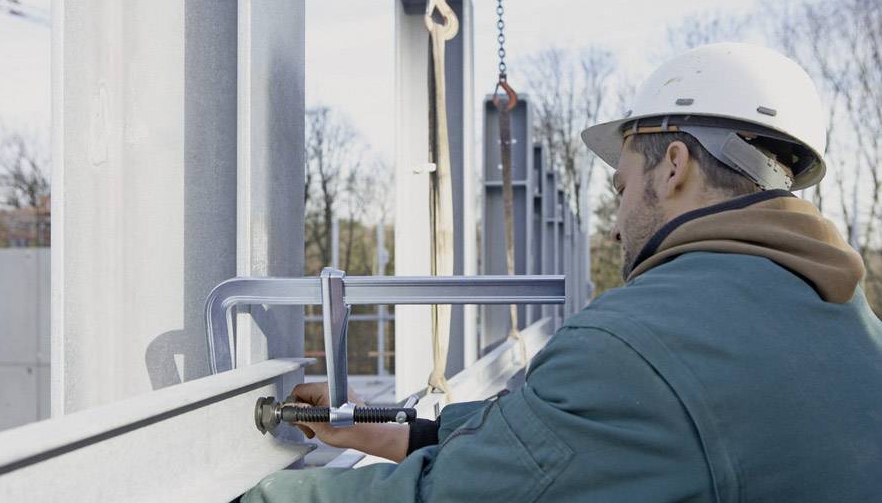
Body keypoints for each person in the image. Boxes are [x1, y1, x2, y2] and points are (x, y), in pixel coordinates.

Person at [243, 43, 882, 502]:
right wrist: (383, 426)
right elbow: (573, 434)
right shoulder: (848, 321)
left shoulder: (637, 342)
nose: (612, 224)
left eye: (621, 187)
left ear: (675, 165)